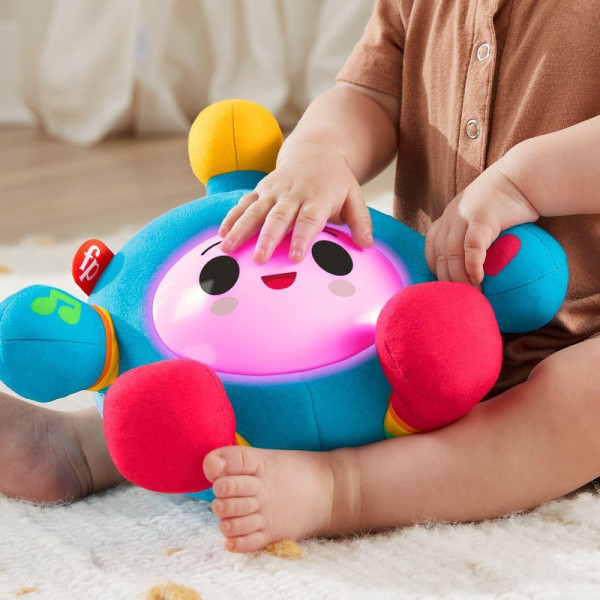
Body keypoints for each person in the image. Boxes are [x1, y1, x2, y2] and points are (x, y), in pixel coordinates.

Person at [3, 0, 600, 554]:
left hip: (578, 332)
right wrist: (320, 152)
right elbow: (369, 96)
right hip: (424, 334)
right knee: (283, 323)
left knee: (578, 400)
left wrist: (522, 181)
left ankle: (342, 487)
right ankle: (93, 443)